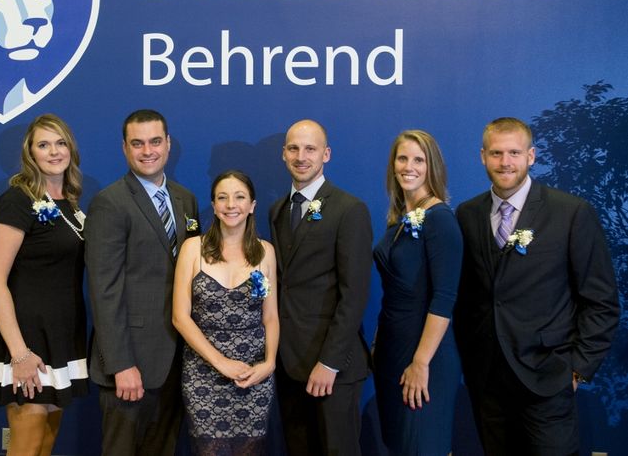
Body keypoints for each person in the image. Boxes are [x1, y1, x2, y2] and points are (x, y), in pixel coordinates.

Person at [454, 117, 620, 455]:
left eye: (514, 152)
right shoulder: (467, 214)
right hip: (487, 382)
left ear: (532, 156)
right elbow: (466, 297)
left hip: (548, 379)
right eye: (496, 153)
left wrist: (577, 370)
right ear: (482, 156)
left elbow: (601, 301)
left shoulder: (571, 213)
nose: (505, 162)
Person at [86, 109, 200, 455]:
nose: (147, 151)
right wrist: (121, 364)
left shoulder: (185, 199)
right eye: (137, 143)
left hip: (177, 360)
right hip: (130, 363)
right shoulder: (110, 203)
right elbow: (104, 291)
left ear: (168, 144)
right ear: (124, 148)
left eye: (154, 141)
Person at [0, 114, 88, 455]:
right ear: (30, 153)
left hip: (61, 337)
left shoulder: (69, 204)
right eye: (44, 145)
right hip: (27, 340)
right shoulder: (17, 201)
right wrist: (20, 353)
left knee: (45, 442)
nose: (54, 152)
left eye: (60, 143)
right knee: (26, 442)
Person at [269, 119, 373, 456]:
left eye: (310, 148)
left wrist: (329, 363)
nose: (301, 156)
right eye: (294, 148)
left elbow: (354, 294)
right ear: (283, 154)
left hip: (332, 368)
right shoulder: (277, 211)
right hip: (288, 366)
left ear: (326, 154)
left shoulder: (349, 209)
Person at [173, 170, 279, 455]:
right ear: (215, 206)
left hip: (253, 374)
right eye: (223, 198)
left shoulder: (265, 251)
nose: (231, 204)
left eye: (239, 197)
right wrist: (221, 362)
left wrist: (269, 364)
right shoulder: (192, 249)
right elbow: (180, 317)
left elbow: (270, 316)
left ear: (252, 205)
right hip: (203, 373)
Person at [372, 130, 462, 455]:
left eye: (418, 160)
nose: (409, 167)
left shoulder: (440, 220)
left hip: (425, 357)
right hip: (392, 353)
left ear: (432, 166)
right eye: (402, 158)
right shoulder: (401, 219)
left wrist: (421, 363)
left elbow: (444, 298)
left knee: (422, 445)